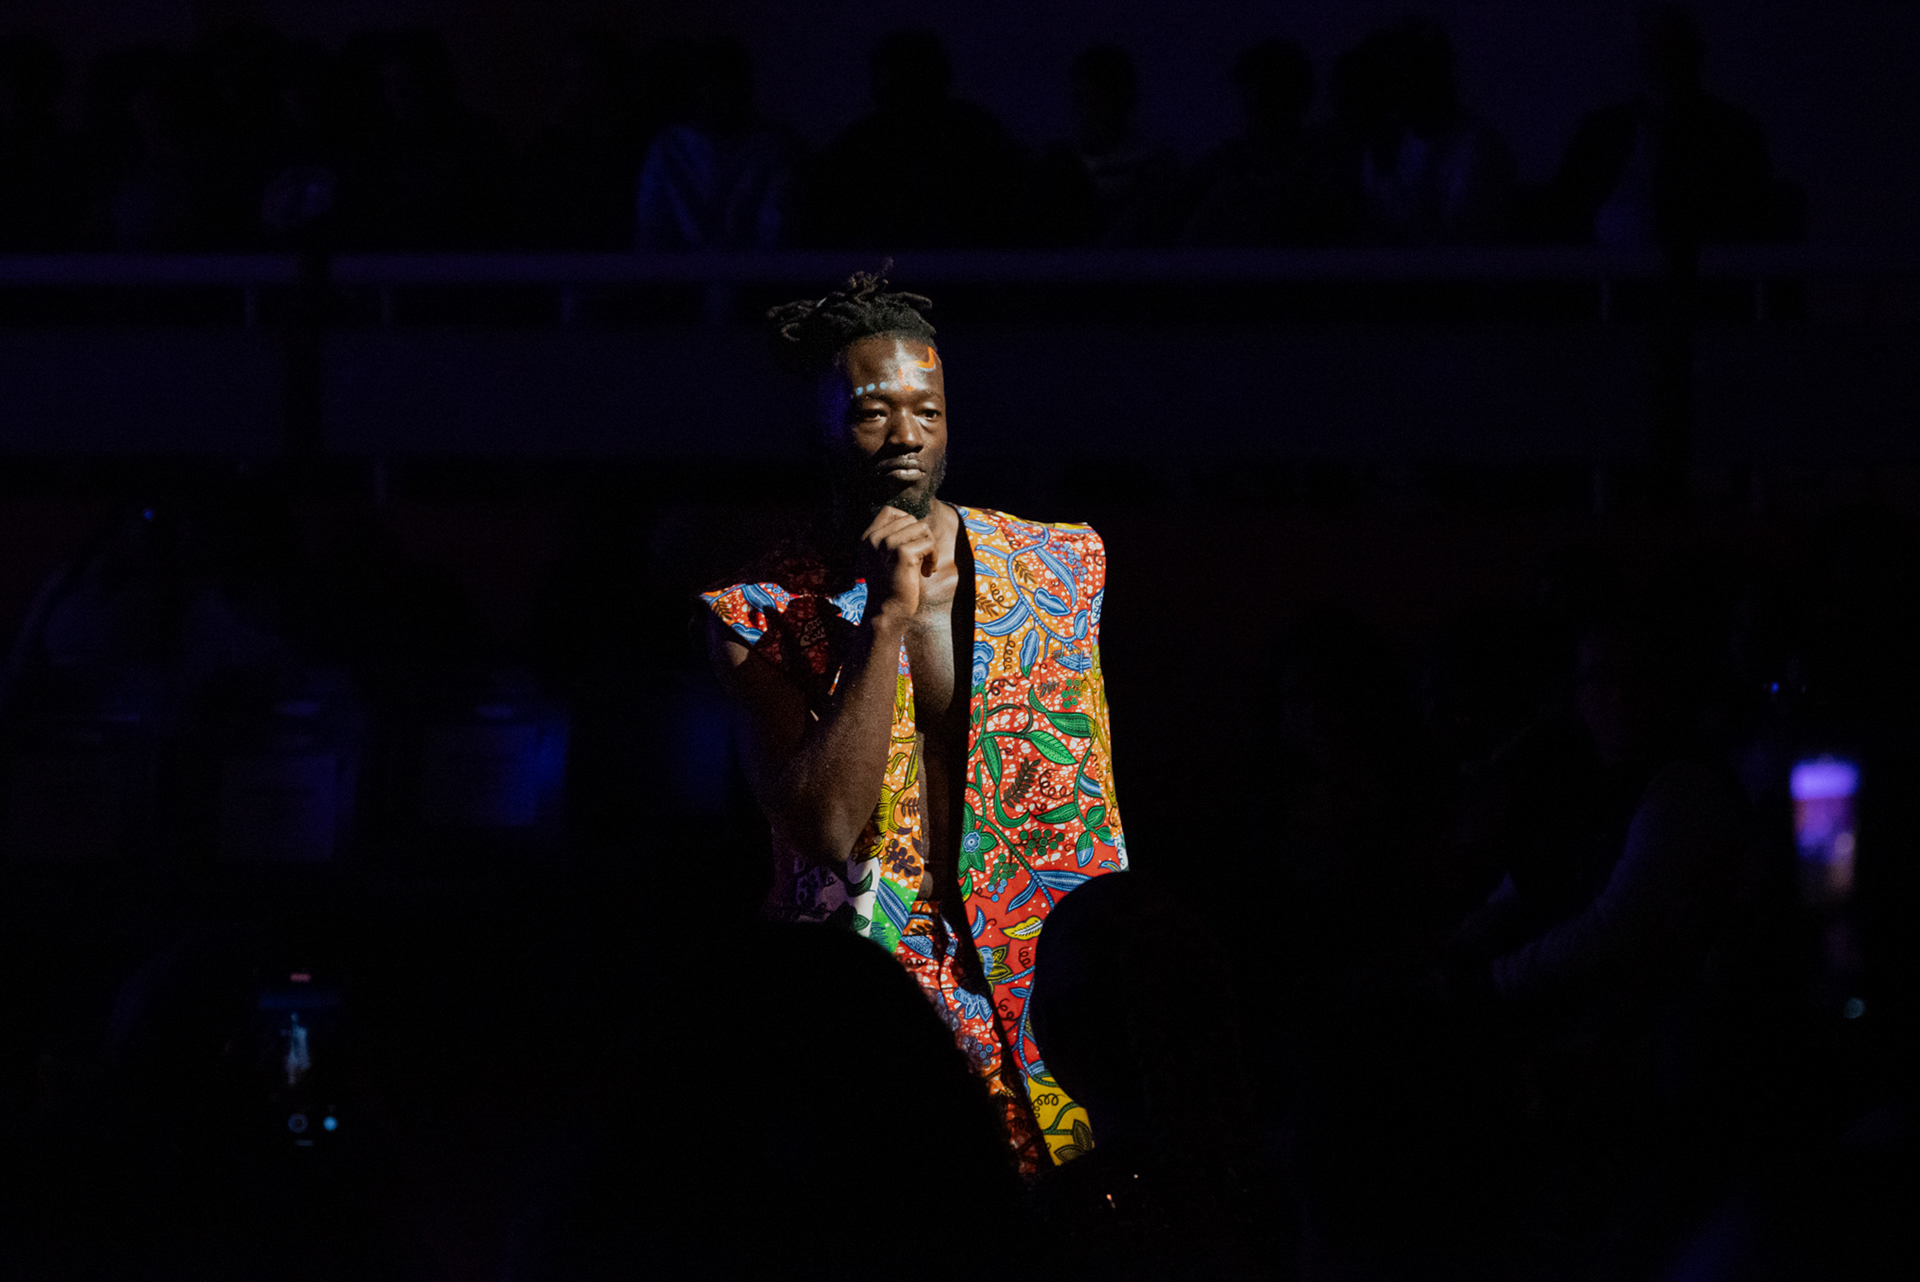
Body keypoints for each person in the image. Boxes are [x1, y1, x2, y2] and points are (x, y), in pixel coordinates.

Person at [702, 269, 1128, 1178]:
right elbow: (822, 829)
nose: (906, 436)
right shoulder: (759, 611)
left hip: (1048, 983)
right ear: (820, 425)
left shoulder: (1059, 569)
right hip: (868, 1005)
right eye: (873, 413)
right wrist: (884, 622)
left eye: (927, 412)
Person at [1544, 4, 1779, 252]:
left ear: (1696, 54)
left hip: (1705, 270)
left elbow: (1752, 216)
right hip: (1605, 270)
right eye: (1654, 48)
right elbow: (1563, 212)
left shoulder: (1734, 132)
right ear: (1638, 56)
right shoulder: (1600, 131)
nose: (1664, 60)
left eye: (1674, 49)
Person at [795, 30, 1027, 248]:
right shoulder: (855, 149)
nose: (909, 99)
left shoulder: (979, 140)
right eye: (897, 85)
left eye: (916, 82)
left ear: (940, 82)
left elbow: (1008, 219)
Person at [634, 36, 798, 251]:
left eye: (725, 84)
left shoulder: (771, 148)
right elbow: (651, 232)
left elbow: (775, 230)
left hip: (752, 271)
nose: (716, 95)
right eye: (708, 85)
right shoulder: (666, 147)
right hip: (682, 273)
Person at [1030, 43, 1177, 247]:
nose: (1097, 101)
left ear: (1126, 97)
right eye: (1090, 91)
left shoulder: (1154, 167)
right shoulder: (1054, 163)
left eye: (1106, 90)